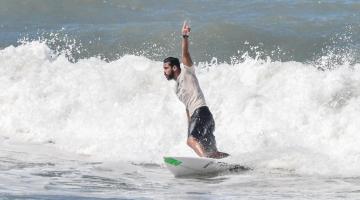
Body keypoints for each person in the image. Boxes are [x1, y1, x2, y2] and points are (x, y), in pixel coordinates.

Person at [163, 22, 229, 159]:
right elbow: (187, 107)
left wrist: (184, 36)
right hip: (204, 117)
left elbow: (185, 53)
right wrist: (189, 125)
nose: (164, 72)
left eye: (166, 68)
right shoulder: (177, 89)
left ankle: (205, 162)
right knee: (213, 153)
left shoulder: (187, 72)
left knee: (191, 141)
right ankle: (233, 162)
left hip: (201, 113)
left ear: (175, 68)